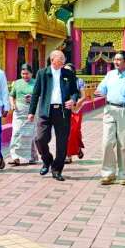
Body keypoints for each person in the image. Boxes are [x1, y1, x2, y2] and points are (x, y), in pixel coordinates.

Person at [27, 50, 80, 181]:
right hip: (46, 111)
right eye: (60, 58)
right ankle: (47, 160)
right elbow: (36, 94)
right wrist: (31, 112)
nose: (63, 61)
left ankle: (57, 170)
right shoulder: (42, 73)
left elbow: (75, 91)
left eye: (64, 58)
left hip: (62, 112)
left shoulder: (68, 73)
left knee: (62, 142)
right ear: (52, 60)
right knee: (40, 139)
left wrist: (73, 100)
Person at [96, 50, 125, 186]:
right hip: (109, 110)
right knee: (107, 142)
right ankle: (108, 174)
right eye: (114, 59)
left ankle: (123, 174)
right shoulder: (110, 74)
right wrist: (98, 91)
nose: (115, 62)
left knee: (123, 144)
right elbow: (102, 88)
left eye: (118, 59)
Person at [8, 64, 38, 165]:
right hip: (18, 111)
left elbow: (41, 96)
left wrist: (33, 98)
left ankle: (32, 157)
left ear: (31, 73)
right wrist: (12, 104)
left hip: (31, 111)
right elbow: (11, 96)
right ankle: (15, 157)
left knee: (30, 134)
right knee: (16, 133)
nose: (25, 76)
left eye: (27, 74)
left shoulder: (36, 83)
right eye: (23, 74)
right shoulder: (17, 83)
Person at [63, 63, 86, 164]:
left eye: (69, 70)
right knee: (67, 132)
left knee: (75, 131)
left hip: (76, 109)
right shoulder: (61, 81)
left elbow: (83, 97)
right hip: (64, 109)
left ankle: (77, 148)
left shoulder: (79, 81)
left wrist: (75, 105)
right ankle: (68, 155)